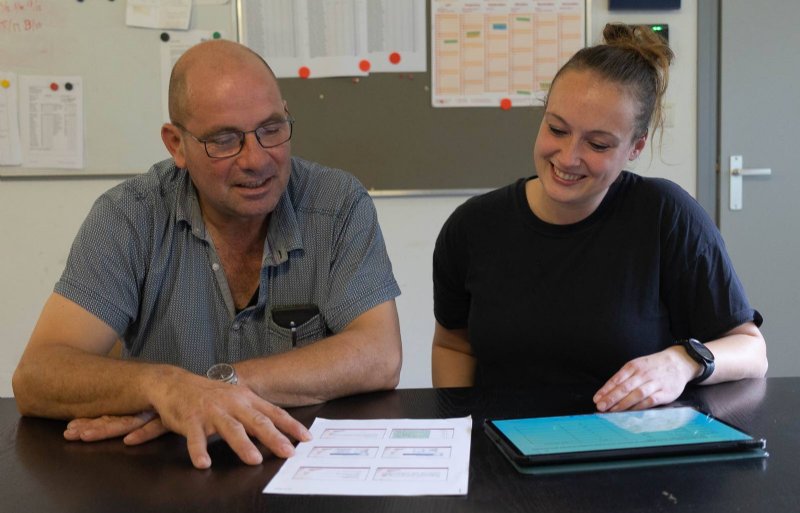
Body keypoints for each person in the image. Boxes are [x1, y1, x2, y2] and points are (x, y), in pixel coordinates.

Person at [12, 40, 402, 469]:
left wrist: (215, 386)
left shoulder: (337, 203)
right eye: (224, 140)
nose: (256, 159)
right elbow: (37, 375)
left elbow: (379, 355)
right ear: (176, 144)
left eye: (271, 129)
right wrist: (163, 386)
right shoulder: (129, 216)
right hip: (169, 470)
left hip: (301, 462)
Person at [431, 24, 767, 412]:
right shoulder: (473, 227)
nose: (568, 157)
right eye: (557, 129)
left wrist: (683, 360)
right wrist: (463, 428)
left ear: (635, 147)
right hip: (504, 452)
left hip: (627, 453)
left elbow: (752, 350)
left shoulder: (666, 216)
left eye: (598, 144)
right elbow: (453, 344)